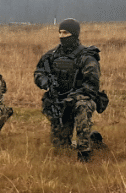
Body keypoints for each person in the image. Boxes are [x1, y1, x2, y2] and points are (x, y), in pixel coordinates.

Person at [34, 18, 107, 162]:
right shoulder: (52, 55)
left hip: (80, 99)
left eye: (65, 32)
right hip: (59, 101)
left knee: (83, 106)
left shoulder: (87, 56)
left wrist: (72, 98)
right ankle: (93, 139)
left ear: (74, 34)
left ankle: (84, 152)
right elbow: (39, 72)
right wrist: (44, 81)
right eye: (59, 32)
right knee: (61, 147)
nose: (61, 36)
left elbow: (91, 87)